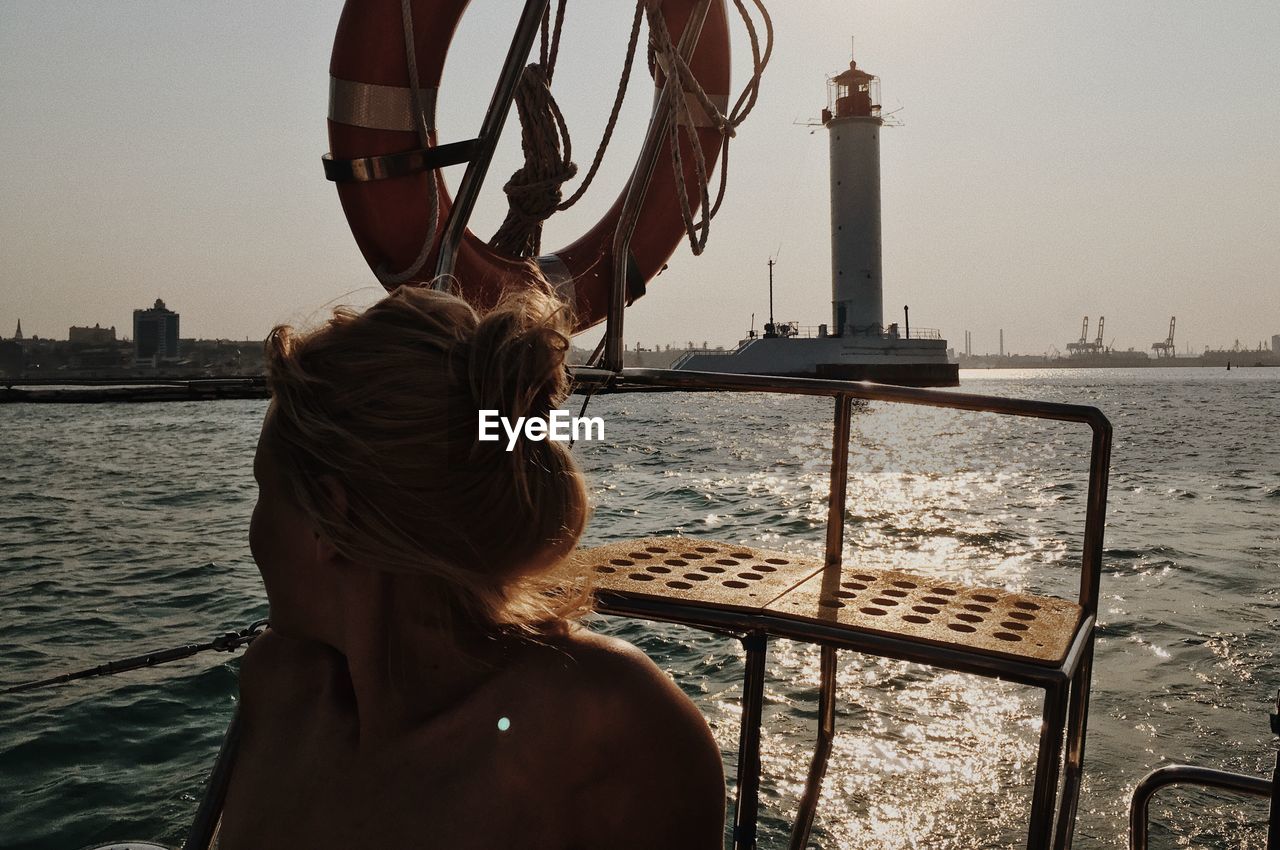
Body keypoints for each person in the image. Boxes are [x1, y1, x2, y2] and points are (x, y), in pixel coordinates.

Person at [215, 282, 726, 849]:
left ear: (333, 518)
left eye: (264, 492)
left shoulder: (617, 730)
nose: (252, 533)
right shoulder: (278, 683)